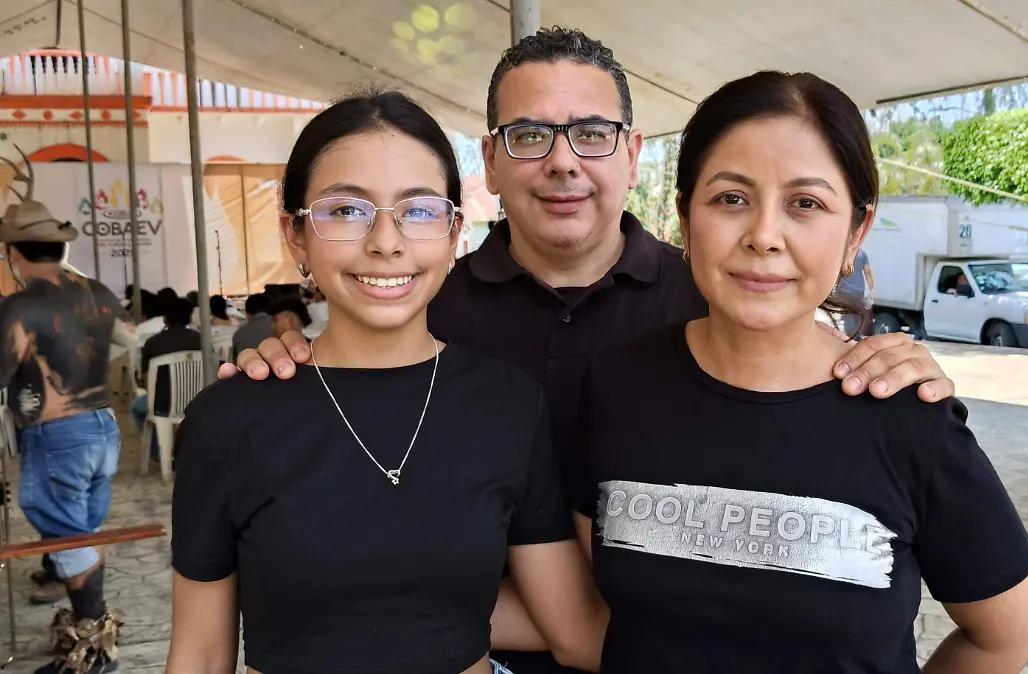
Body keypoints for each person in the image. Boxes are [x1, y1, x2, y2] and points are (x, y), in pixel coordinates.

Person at [226, 27, 957, 674]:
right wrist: (287, 361)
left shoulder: (724, 300)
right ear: (490, 160)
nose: (563, 161)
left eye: (593, 133)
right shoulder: (421, 310)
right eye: (529, 135)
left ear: (633, 154)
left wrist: (905, 368)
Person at [566, 70, 1028, 672]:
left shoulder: (903, 411)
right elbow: (595, 598)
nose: (765, 235)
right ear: (685, 218)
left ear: (855, 233)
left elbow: (1007, 635)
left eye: (806, 203)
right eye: (731, 198)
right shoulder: (617, 384)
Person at [167, 88, 608, 674]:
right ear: (296, 234)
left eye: (419, 210)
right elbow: (199, 653)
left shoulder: (506, 406)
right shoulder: (230, 419)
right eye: (346, 210)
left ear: (454, 234)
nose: (385, 242)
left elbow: (573, 630)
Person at [0, 170, 136, 673]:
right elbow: (127, 339)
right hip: (103, 428)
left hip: (59, 434)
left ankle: (93, 648)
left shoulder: (21, 304)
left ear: (15, 252)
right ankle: (87, 634)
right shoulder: (95, 291)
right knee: (82, 532)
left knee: (69, 535)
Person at [131, 298, 202, 464]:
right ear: (190, 318)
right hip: (200, 402)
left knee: (137, 408)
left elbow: (147, 379)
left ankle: (158, 453)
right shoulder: (201, 340)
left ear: (165, 318)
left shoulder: (152, 343)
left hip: (163, 406)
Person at [834, 247, 873, 338]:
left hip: (844, 291)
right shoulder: (862, 253)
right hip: (858, 291)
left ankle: (852, 339)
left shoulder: (843, 253)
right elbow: (867, 272)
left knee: (848, 318)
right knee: (857, 317)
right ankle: (856, 337)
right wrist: (872, 290)